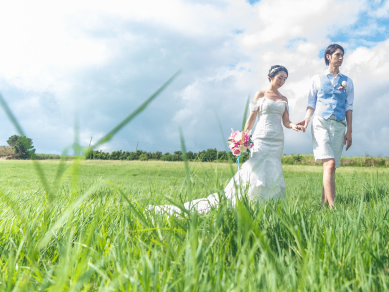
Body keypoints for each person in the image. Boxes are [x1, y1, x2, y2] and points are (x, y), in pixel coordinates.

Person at [149, 65, 303, 215]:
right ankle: (248, 200)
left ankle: (268, 204)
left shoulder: (284, 99)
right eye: (279, 77)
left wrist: (294, 125)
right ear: (271, 77)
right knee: (255, 167)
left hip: (277, 139)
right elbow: (252, 117)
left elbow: (286, 121)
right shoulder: (260, 94)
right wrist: (244, 136)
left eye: (285, 79)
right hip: (261, 137)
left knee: (273, 168)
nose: (282, 81)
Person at [295, 44, 353, 208]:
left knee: (331, 167)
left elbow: (349, 106)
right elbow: (311, 102)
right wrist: (306, 120)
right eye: (337, 54)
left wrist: (349, 130)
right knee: (330, 163)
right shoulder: (317, 78)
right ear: (328, 56)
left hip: (339, 125)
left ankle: (323, 206)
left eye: (342, 55)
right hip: (321, 121)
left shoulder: (347, 81)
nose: (341, 58)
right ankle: (334, 208)